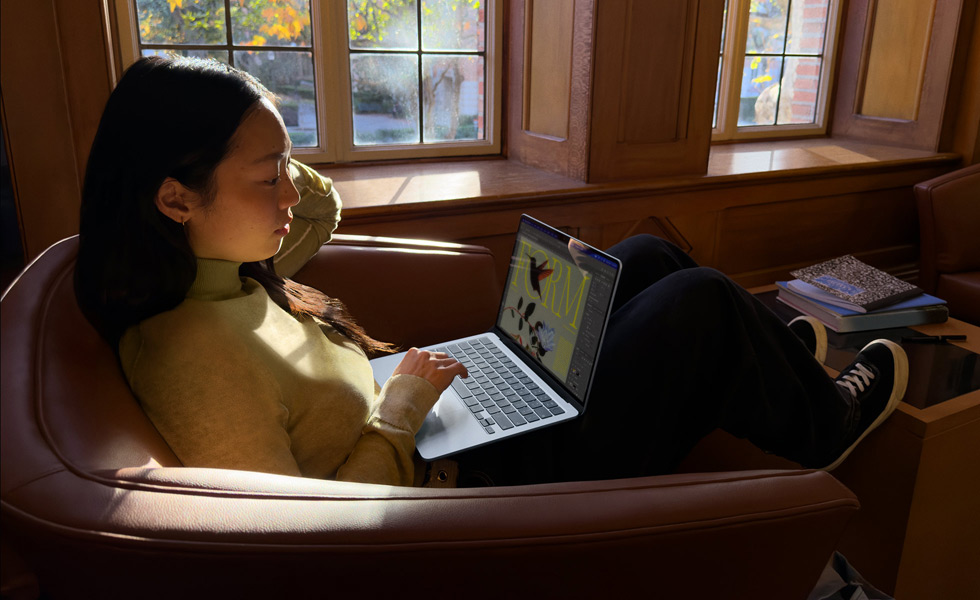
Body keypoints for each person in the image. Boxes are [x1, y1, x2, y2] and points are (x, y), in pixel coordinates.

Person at [75, 56, 908, 488]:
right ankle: (819, 426)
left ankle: (777, 370)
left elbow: (321, 211)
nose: (292, 193)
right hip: (475, 481)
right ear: (175, 198)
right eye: (268, 177)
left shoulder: (229, 263)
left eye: (288, 165)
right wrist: (400, 414)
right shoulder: (189, 351)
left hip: (445, 415)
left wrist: (263, 141)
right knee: (703, 301)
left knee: (646, 257)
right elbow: (295, 528)